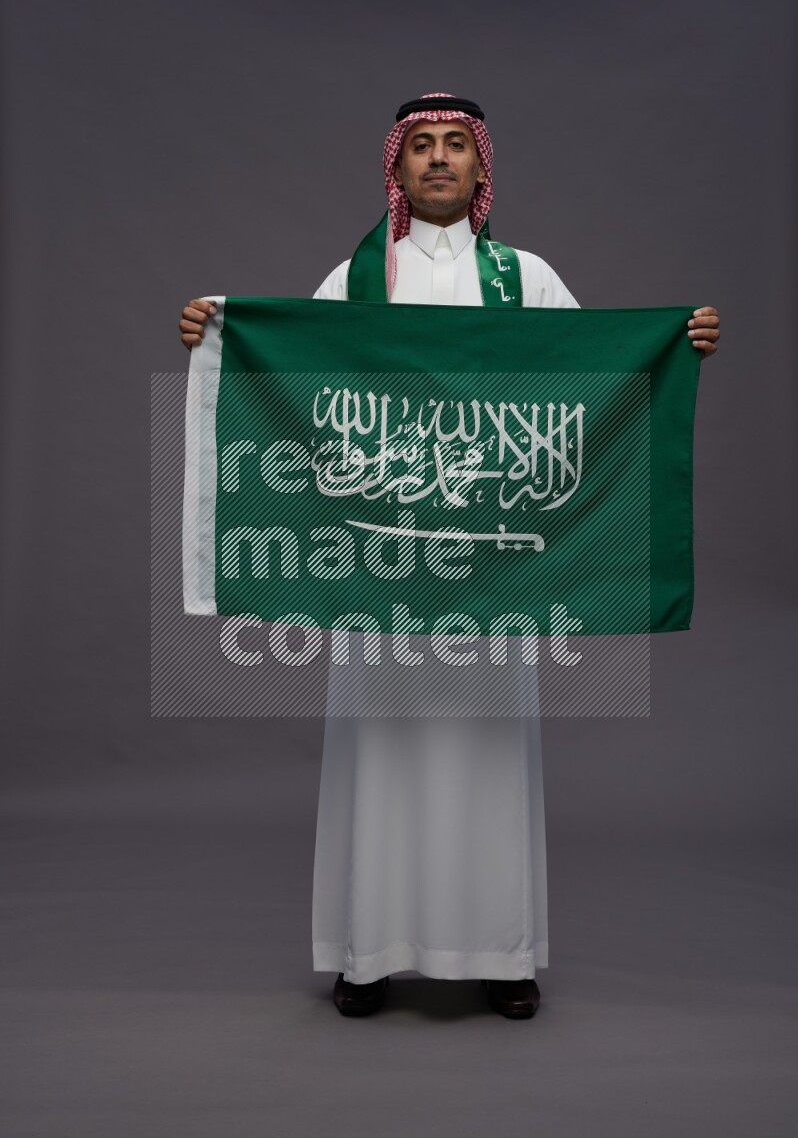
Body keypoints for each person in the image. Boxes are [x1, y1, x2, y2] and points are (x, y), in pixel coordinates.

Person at [179, 93, 720, 1020]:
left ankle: (500, 956)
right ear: (396, 168)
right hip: (379, 568)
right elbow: (292, 381)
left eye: (455, 146)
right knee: (379, 754)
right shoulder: (355, 283)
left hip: (491, 574)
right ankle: (367, 951)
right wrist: (219, 340)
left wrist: (677, 349)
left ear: (481, 169)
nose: (437, 160)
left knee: (487, 753)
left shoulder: (526, 277)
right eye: (421, 146)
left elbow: (595, 385)